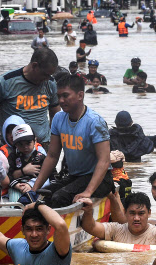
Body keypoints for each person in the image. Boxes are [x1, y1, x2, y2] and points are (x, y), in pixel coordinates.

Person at [32, 75, 114, 208]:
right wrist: (34, 189)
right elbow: (52, 156)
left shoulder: (95, 122)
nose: (61, 100)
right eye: (59, 96)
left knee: (60, 197)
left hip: (101, 179)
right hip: (75, 176)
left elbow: (104, 161)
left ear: (80, 95)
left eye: (65, 96)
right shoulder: (58, 118)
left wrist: (88, 192)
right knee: (45, 193)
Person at [0, 48, 60, 152]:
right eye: (45, 75)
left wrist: (54, 140)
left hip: (43, 146)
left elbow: (56, 114)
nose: (47, 79)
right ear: (34, 66)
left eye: (50, 75)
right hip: (13, 148)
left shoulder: (51, 83)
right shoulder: (5, 82)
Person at [80, 192, 156, 245]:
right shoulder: (116, 229)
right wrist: (88, 211)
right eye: (132, 213)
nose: (136, 218)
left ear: (149, 213)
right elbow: (90, 227)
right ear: (125, 213)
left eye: (141, 213)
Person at [7, 124, 51, 203]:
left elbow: (51, 174)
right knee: (15, 203)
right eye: (20, 144)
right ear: (15, 144)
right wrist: (17, 185)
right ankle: (14, 212)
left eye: (28, 143)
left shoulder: (41, 156)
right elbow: (8, 175)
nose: (25, 147)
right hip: (17, 186)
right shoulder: (12, 157)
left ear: (35, 140)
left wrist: (31, 185)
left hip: (37, 185)